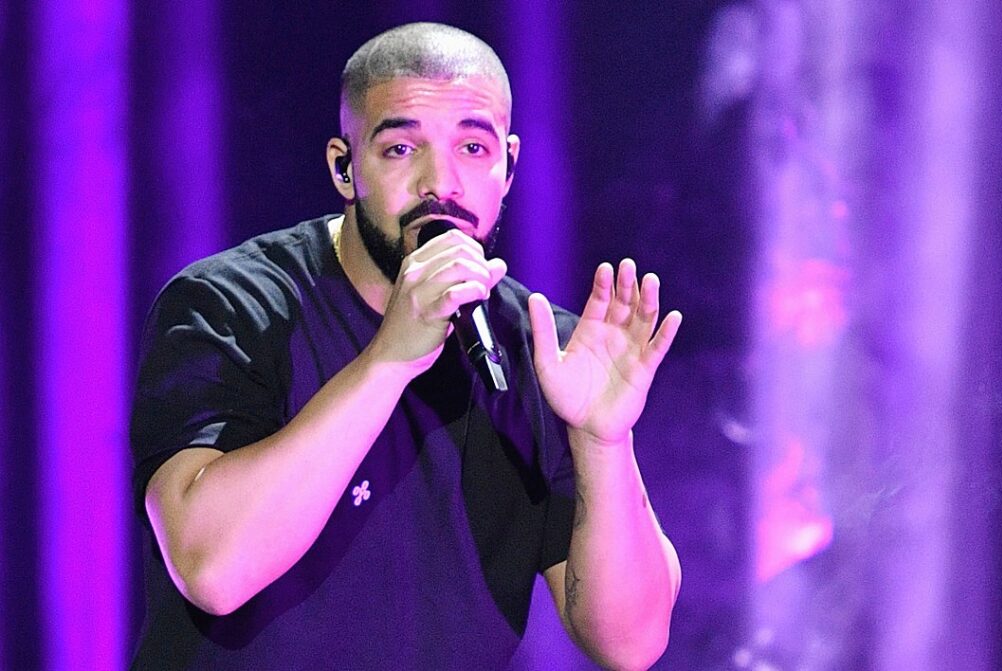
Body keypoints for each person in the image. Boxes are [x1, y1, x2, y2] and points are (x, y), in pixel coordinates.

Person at [130, 22, 682, 670]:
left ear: (509, 166)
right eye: (399, 149)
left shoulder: (543, 353)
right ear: (344, 166)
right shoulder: (233, 305)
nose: (439, 183)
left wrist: (602, 441)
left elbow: (631, 643)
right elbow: (210, 567)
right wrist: (389, 359)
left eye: (473, 148)